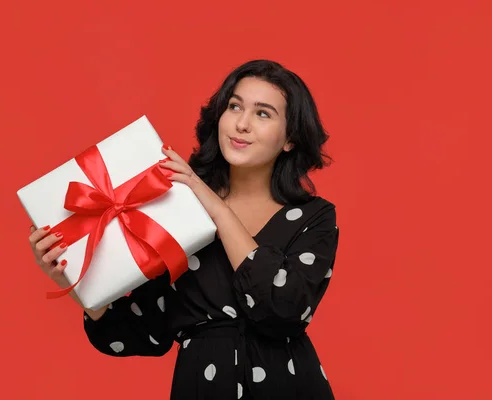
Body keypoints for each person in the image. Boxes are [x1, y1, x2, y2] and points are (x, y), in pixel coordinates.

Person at [28, 59, 340, 399]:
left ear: (290, 139)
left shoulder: (314, 217)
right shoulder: (178, 209)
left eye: (263, 114)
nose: (242, 124)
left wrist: (216, 207)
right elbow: (142, 331)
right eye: (234, 107)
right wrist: (72, 281)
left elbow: (283, 308)